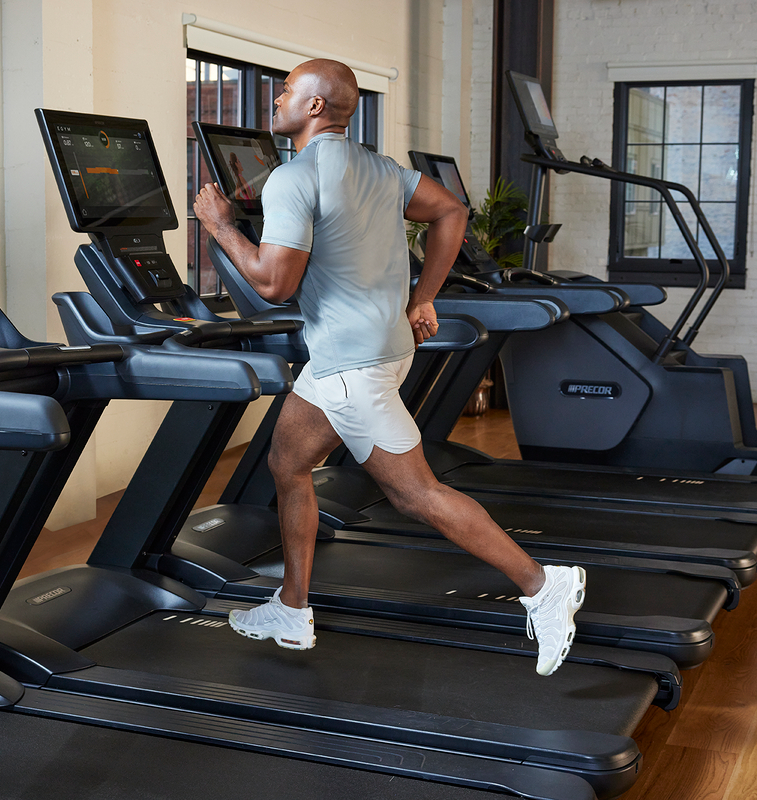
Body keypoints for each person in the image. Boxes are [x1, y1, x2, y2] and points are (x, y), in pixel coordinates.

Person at [192, 58, 586, 676]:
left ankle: (542, 584)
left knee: (416, 494)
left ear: (316, 106)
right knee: (287, 463)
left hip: (354, 364)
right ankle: (292, 607)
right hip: (379, 347)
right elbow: (451, 211)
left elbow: (273, 284)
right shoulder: (380, 168)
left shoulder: (292, 180)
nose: (277, 100)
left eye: (288, 90)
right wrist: (423, 297)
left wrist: (218, 227)